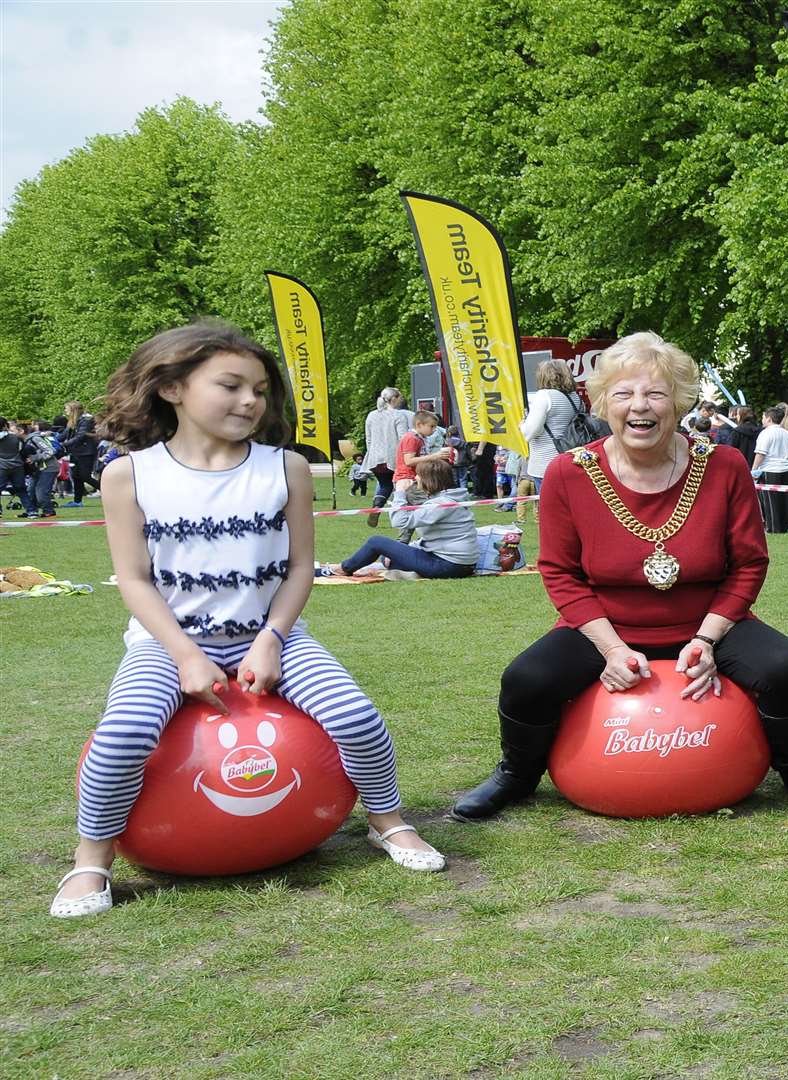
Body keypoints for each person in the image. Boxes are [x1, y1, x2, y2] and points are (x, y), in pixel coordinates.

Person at [50, 322, 444, 918]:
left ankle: (387, 823)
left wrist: (272, 640)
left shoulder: (284, 468)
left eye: (259, 389)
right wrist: (184, 655)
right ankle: (91, 861)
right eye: (230, 386)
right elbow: (134, 579)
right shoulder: (127, 475)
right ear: (172, 389)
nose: (250, 401)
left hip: (270, 636)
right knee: (125, 733)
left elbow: (301, 569)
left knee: (356, 717)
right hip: (167, 645)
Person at [451, 332, 788, 821]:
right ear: (604, 402)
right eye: (623, 394)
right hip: (607, 625)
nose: (639, 406)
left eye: (655, 393)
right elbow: (560, 573)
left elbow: (749, 563)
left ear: (681, 403)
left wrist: (707, 639)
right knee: (527, 678)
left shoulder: (724, 465)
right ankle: (516, 775)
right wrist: (609, 649)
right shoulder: (569, 473)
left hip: (707, 621)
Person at [326, 457, 479, 579]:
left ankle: (343, 569)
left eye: (419, 474)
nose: (416, 477)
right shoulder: (451, 498)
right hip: (460, 564)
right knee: (387, 558)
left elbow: (399, 521)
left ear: (430, 479)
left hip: (449, 565)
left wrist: (399, 492)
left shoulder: (441, 503)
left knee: (376, 542)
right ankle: (387, 568)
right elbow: (437, 537)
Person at [520, 359, 585, 514]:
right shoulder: (576, 398)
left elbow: (529, 432)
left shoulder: (544, 396)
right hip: (571, 459)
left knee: (551, 513)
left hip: (546, 463)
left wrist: (522, 423)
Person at [362, 388, 411, 528]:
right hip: (393, 458)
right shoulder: (398, 416)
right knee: (401, 487)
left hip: (375, 459)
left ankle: (376, 507)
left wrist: (371, 454)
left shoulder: (371, 415)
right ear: (394, 399)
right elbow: (403, 439)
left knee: (385, 485)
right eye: (400, 396)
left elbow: (369, 439)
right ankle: (401, 517)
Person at [752, 405, 788, 533]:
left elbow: (761, 453)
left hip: (770, 469)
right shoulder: (787, 433)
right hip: (786, 469)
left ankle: (773, 527)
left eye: (763, 417)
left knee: (770, 501)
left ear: (768, 418)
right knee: (786, 499)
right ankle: (784, 526)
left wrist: (754, 470)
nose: (762, 420)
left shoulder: (765, 433)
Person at [63, 401, 101, 503]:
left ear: (73, 410)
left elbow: (81, 435)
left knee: (85, 476)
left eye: (66, 409)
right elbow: (65, 434)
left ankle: (106, 490)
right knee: (76, 476)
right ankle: (77, 501)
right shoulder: (73, 421)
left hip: (86, 452)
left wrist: (65, 444)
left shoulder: (86, 420)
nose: (65, 411)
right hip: (76, 451)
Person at [0, 418, 25, 514]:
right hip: (17, 465)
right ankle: (32, 511)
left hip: (2, 466)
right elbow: (22, 449)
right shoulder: (15, 437)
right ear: (5, 426)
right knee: (21, 490)